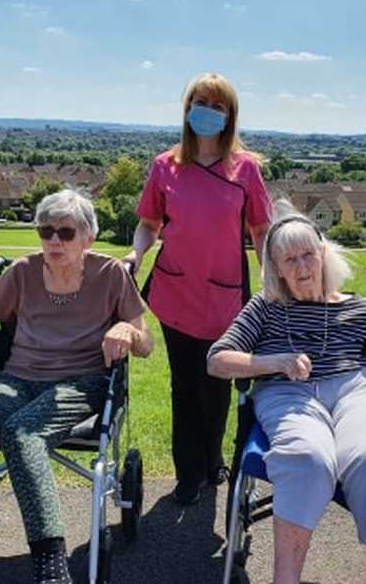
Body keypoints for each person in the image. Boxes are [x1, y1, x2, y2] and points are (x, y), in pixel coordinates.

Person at [0, 190, 153, 584]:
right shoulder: (24, 272)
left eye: (65, 232)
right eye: (47, 231)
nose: (54, 241)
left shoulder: (111, 274)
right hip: (18, 377)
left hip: (82, 382)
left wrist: (126, 329)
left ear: (88, 237)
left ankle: (51, 564)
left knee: (22, 433)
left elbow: (145, 344)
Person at [206, 201, 366, 584]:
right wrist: (277, 362)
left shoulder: (359, 310)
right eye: (289, 259)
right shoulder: (265, 309)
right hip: (288, 393)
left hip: (357, 391)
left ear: (323, 255)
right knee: (307, 457)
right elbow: (217, 360)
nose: (301, 267)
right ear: (275, 268)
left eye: (308, 255)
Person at [126, 73, 272, 505]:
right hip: (175, 294)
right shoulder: (164, 166)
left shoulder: (246, 169)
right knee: (184, 385)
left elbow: (262, 230)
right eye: (200, 101)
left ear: (229, 116)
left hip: (226, 297)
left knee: (219, 384)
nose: (207, 110)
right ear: (187, 108)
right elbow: (148, 224)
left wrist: (270, 277)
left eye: (217, 104)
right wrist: (136, 256)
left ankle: (213, 460)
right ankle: (188, 474)